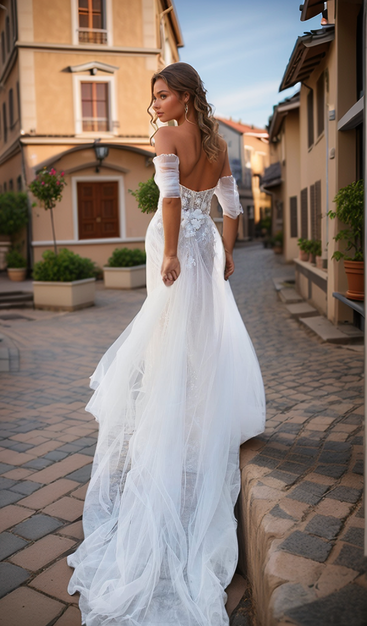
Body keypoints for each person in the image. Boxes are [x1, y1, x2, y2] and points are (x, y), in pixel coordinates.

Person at [68, 62, 266, 626]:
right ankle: (198, 425)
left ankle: (172, 431)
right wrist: (226, 252)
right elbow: (232, 207)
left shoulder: (165, 136)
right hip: (208, 253)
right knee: (199, 336)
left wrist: (173, 252)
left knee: (167, 338)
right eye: (153, 97)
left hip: (179, 249)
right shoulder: (219, 143)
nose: (154, 105)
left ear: (183, 97)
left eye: (161, 95)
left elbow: (172, 201)